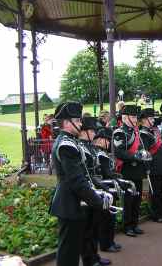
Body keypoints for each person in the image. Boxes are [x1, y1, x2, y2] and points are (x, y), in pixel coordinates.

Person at [49, 102, 113, 266]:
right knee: (68, 253)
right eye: (77, 121)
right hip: (69, 203)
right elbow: (76, 180)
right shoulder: (66, 145)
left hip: (73, 202)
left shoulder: (71, 141)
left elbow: (84, 176)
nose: (80, 124)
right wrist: (97, 201)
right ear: (66, 123)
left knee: (73, 248)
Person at [78, 117, 111, 266]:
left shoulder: (89, 146)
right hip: (86, 193)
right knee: (86, 231)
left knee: (94, 227)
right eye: (92, 130)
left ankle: (95, 256)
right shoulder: (80, 146)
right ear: (84, 132)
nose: (94, 133)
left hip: (94, 189)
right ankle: (89, 260)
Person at [112, 105, 146, 237]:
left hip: (138, 170)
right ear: (125, 118)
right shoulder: (120, 133)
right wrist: (135, 156)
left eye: (136, 117)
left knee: (137, 198)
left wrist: (144, 155)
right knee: (128, 200)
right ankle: (127, 227)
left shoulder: (136, 132)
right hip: (127, 170)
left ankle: (135, 224)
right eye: (133, 117)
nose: (135, 119)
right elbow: (119, 153)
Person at [92, 127, 122, 254]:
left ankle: (110, 241)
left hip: (109, 188)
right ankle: (105, 244)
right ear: (99, 140)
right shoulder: (99, 153)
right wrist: (116, 177)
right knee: (106, 218)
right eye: (107, 140)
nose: (109, 143)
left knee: (111, 217)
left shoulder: (102, 153)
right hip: (104, 189)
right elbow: (106, 172)